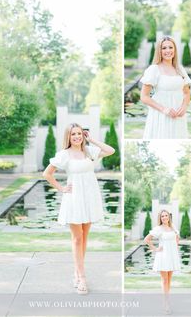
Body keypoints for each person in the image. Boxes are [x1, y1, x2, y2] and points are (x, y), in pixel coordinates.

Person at [43, 123, 115, 294]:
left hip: (89, 197)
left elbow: (111, 150)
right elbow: (47, 174)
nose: (76, 137)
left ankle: (77, 272)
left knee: (84, 237)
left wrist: (92, 139)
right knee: (77, 238)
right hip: (74, 198)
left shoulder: (90, 151)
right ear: (68, 137)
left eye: (79, 134)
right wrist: (61, 189)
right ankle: (82, 277)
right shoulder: (64, 155)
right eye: (73, 134)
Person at [140, 36, 191, 139]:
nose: (168, 50)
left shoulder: (180, 69)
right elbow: (144, 97)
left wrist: (184, 106)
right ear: (159, 51)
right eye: (164, 48)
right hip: (161, 115)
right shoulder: (154, 69)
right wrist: (164, 110)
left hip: (178, 115)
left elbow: (186, 92)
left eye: (170, 47)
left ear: (175, 49)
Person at [144, 210, 180, 314]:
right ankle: (166, 303)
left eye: (166, 215)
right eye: (162, 216)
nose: (164, 217)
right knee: (164, 280)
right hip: (163, 256)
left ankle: (167, 299)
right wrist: (155, 249)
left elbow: (177, 238)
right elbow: (147, 239)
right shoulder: (158, 229)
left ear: (169, 217)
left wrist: (175, 247)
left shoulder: (173, 227)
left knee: (169, 280)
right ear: (160, 218)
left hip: (172, 256)